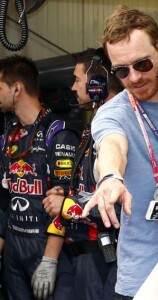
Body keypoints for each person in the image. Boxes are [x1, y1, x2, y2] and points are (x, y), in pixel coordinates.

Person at [82, 6, 158, 299]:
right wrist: (110, 177)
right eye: (121, 70)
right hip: (141, 275)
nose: (133, 78)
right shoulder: (113, 113)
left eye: (142, 64)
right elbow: (112, 144)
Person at [42, 47, 123, 300]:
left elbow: (117, 205)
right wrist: (67, 192)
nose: (74, 88)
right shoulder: (94, 126)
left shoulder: (119, 126)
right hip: (87, 253)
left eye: (78, 80)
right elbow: (91, 188)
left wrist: (66, 204)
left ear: (99, 83)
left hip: (108, 256)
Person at [0, 55, 78, 300]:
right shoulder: (7, 136)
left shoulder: (58, 132)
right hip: (14, 246)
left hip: (46, 245)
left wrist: (49, 259)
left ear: (16, 88)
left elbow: (64, 199)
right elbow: (4, 199)